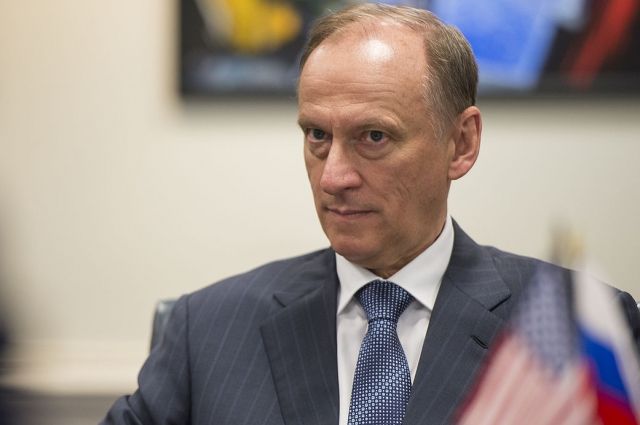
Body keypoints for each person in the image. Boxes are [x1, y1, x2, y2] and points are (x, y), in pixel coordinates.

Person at [102, 3, 640, 424]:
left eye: (374, 137)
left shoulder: (578, 333)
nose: (333, 177)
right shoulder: (207, 331)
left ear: (461, 143)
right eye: (317, 135)